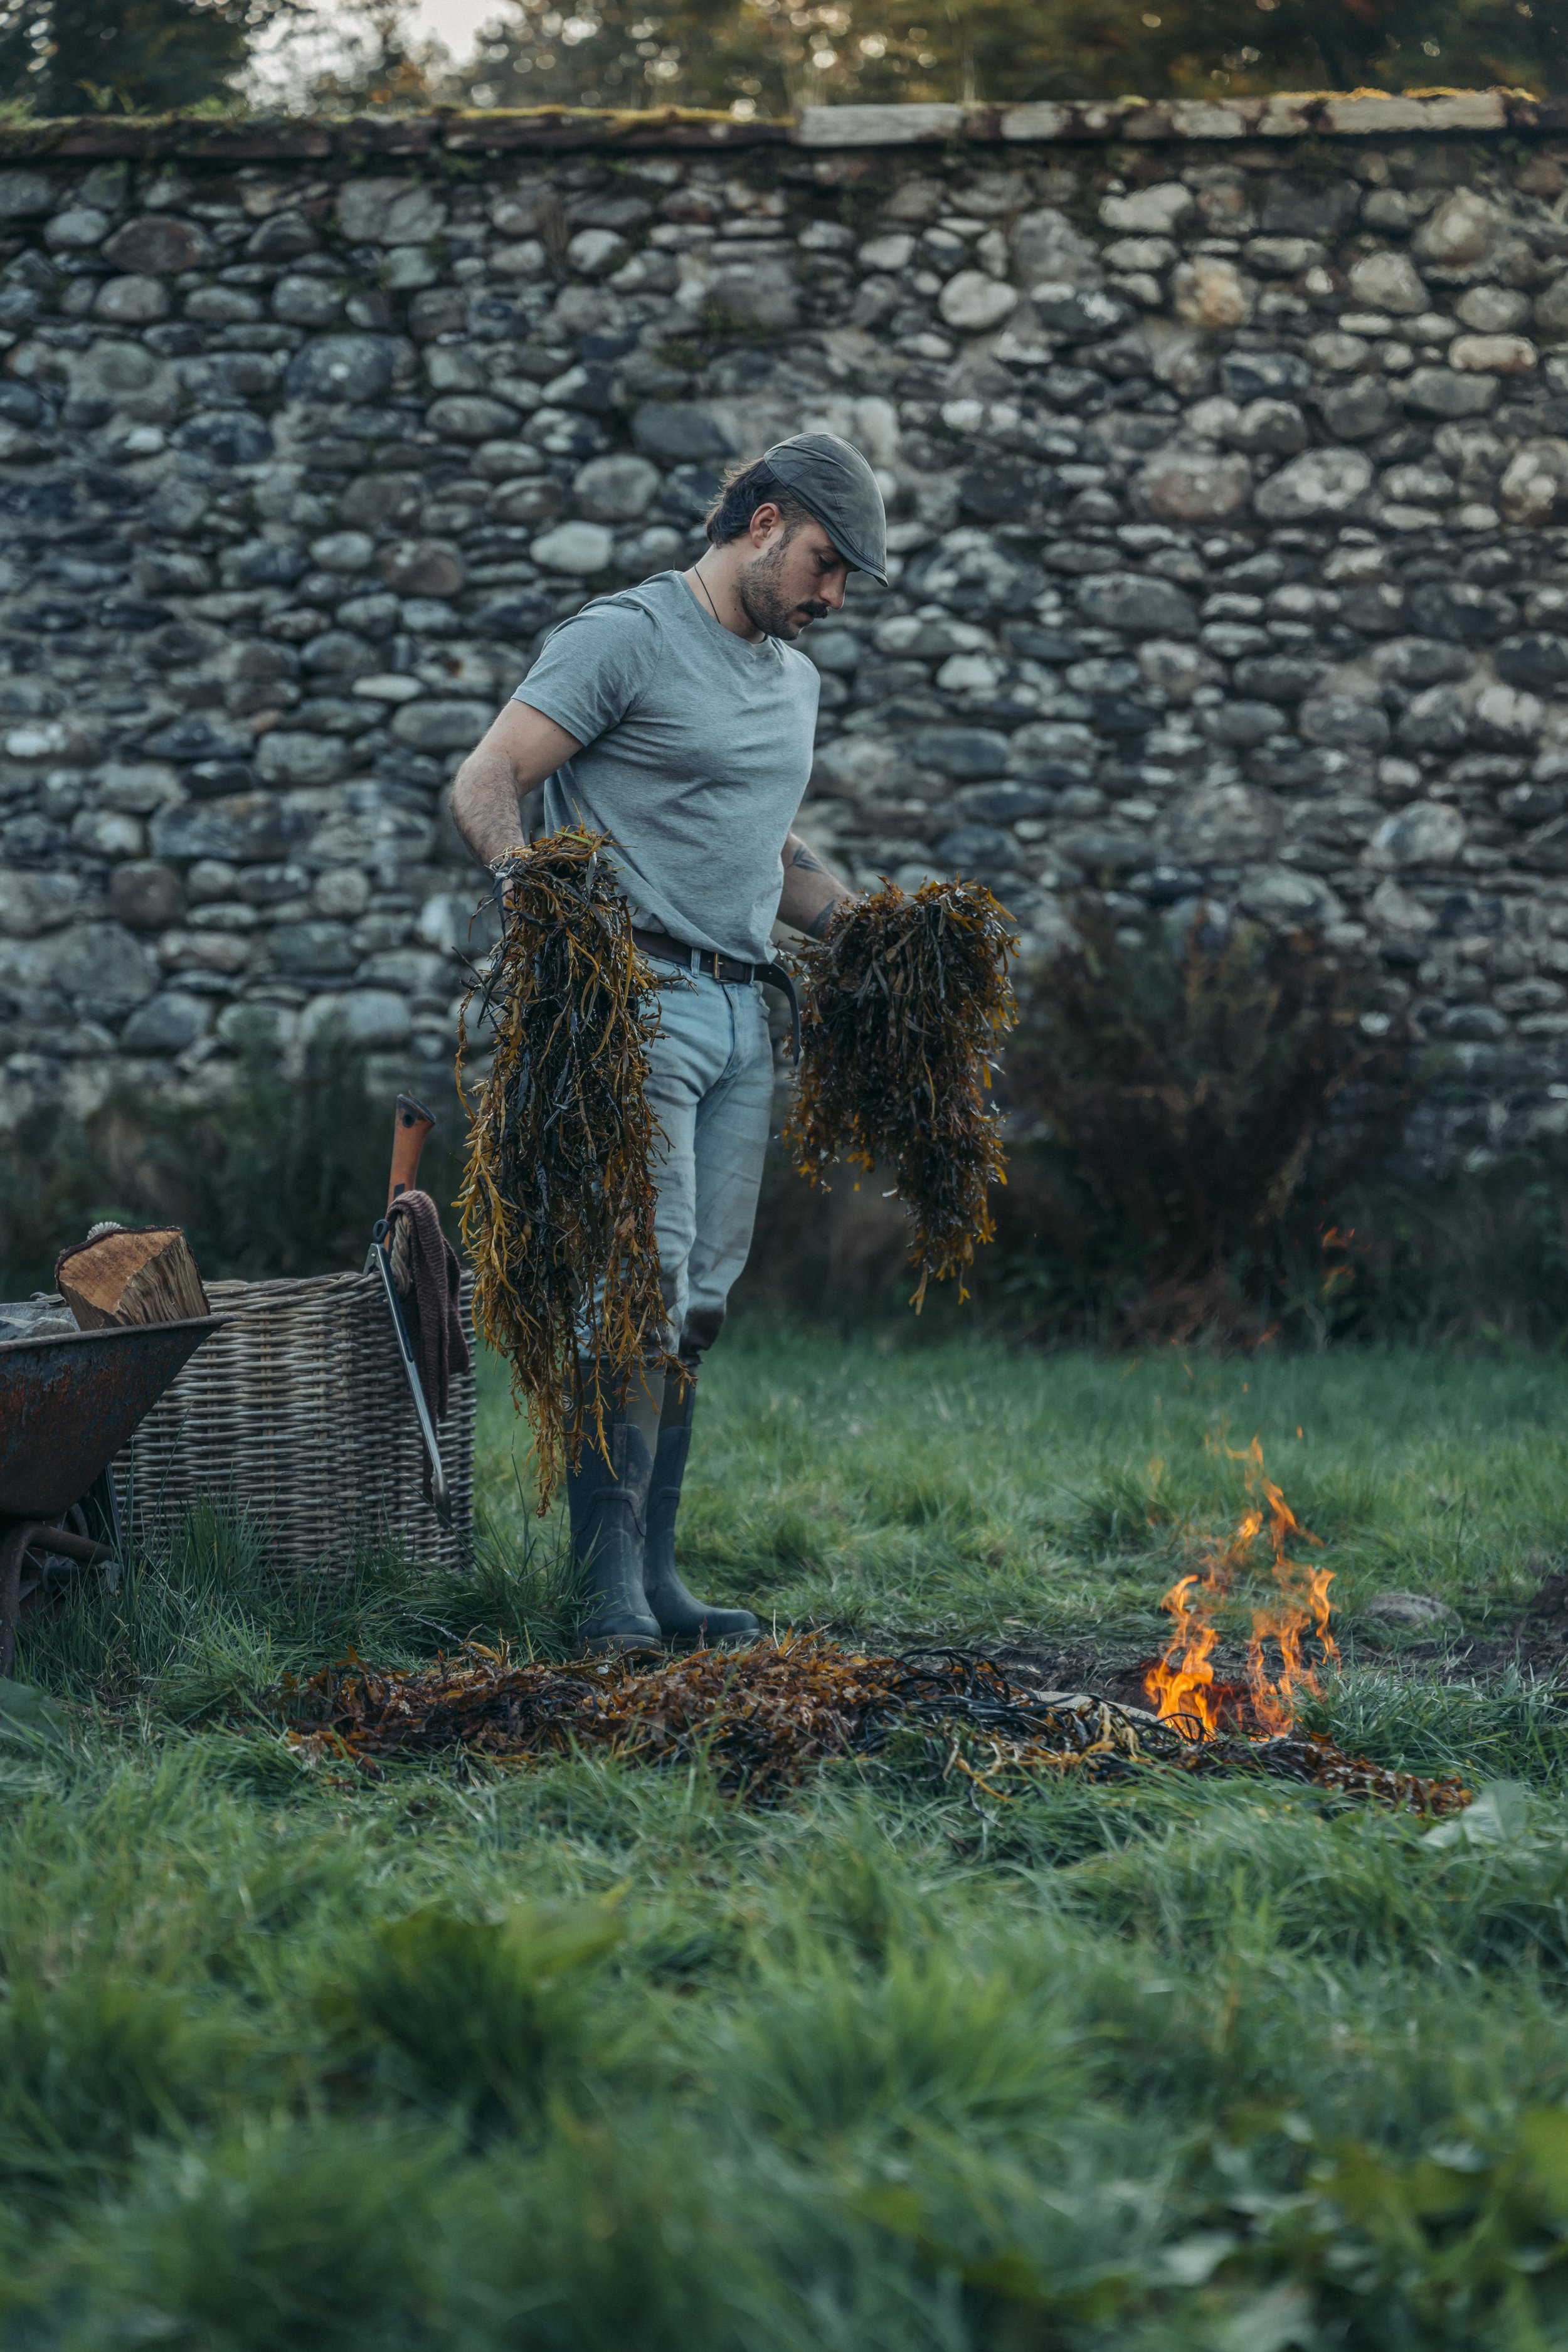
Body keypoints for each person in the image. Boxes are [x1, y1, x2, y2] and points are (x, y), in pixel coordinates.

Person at [449, 430, 888, 1654]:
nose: (833, 595)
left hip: (746, 1012)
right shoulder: (627, 637)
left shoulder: (792, 683)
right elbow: (487, 779)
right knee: (632, 1287)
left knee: (694, 1301)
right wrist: (529, 891)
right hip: (635, 1000)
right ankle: (601, 1592)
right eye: (825, 562)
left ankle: (656, 1578)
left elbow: (770, 857)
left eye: (847, 579)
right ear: (764, 521)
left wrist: (874, 934)